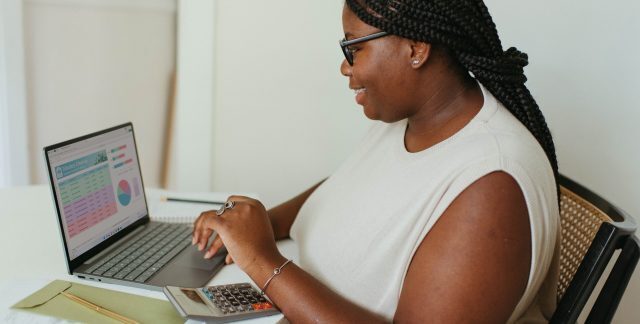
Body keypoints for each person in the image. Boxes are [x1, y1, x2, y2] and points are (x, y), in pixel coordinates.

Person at [192, 0, 560, 322]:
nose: (344, 67)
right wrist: (255, 228)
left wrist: (261, 259)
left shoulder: (492, 185)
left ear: (416, 48)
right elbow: (343, 191)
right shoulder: (412, 121)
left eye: (354, 48)